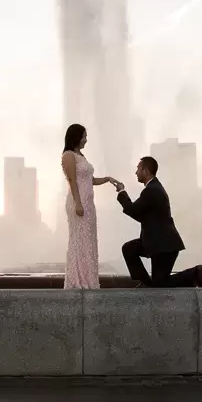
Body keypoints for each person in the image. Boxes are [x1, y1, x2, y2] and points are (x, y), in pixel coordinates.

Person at [117, 156, 202, 287]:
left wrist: (121, 191)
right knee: (129, 249)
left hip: (164, 245)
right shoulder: (153, 188)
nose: (136, 172)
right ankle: (147, 284)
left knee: (160, 284)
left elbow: (133, 210)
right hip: (157, 243)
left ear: (146, 171)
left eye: (138, 169)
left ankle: (194, 273)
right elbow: (140, 215)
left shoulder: (151, 190)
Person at [61, 123, 117, 290]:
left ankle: (88, 279)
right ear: (76, 137)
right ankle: (77, 280)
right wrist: (78, 203)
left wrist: (107, 179)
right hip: (78, 203)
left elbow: (90, 181)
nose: (86, 140)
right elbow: (72, 181)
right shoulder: (69, 155)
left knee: (88, 241)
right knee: (79, 240)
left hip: (88, 204)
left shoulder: (81, 156)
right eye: (84, 136)